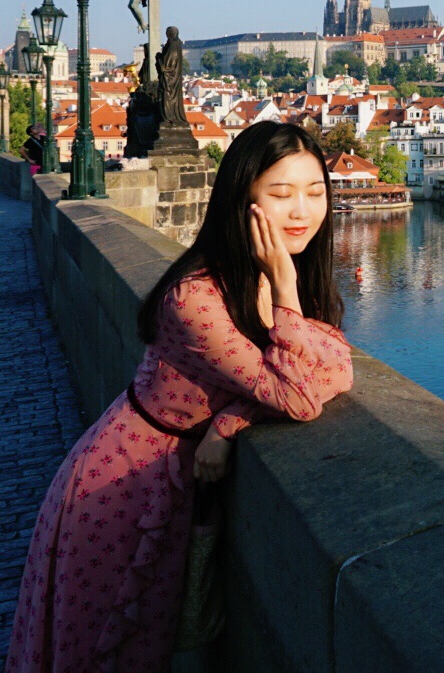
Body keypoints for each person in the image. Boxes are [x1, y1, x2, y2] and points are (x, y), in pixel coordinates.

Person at [6, 121, 354, 672]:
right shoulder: (196, 297)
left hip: (179, 479)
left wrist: (230, 420)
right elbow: (296, 394)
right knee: (102, 651)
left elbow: (336, 363)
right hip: (124, 485)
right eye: (281, 195)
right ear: (242, 202)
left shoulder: (264, 277)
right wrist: (287, 292)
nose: (302, 212)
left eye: (315, 194)